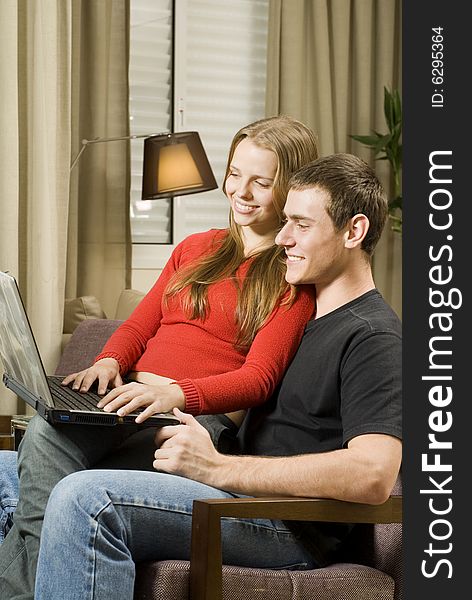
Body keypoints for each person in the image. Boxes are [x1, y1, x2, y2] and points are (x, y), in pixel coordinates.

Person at [26, 152, 402, 599]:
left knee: (86, 499)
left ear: (353, 231)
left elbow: (374, 473)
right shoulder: (304, 313)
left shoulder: (373, 336)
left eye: (302, 225)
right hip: (232, 496)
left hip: (285, 525)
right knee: (8, 475)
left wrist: (218, 467)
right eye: (284, 222)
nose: (282, 238)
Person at [0, 116, 320, 598]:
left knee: (52, 478)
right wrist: (109, 361)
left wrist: (173, 392)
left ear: (291, 188)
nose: (242, 191)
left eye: (262, 181)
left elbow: (258, 380)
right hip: (126, 400)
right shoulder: (196, 247)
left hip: (186, 421)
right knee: (46, 430)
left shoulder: (291, 278)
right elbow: (138, 325)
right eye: (235, 174)